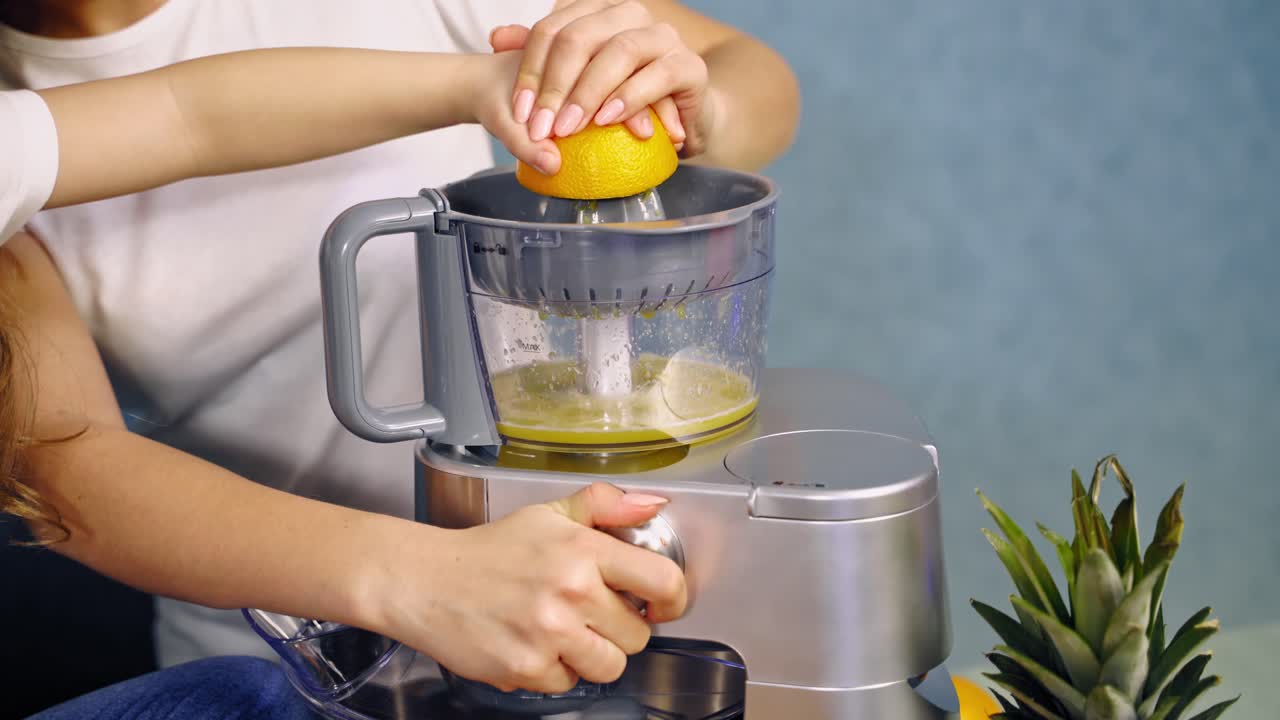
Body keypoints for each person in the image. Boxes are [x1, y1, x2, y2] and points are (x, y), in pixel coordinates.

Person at [0, 0, 800, 698]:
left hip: (598, 601)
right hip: (288, 661)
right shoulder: (22, 135)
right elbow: (66, 464)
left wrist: (692, 106)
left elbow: (751, 74)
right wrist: (419, 576)